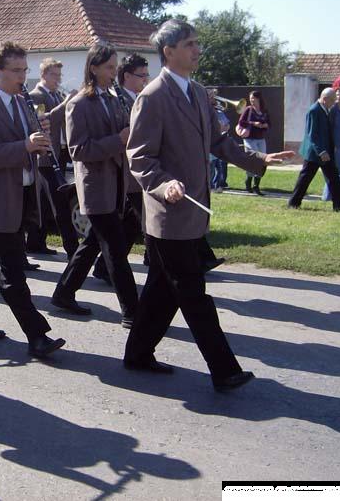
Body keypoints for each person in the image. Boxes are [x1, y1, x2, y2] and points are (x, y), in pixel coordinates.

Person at [124, 19, 294, 391]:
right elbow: (139, 157)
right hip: (169, 213)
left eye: (197, 43)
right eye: (189, 44)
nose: (197, 50)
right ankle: (224, 369)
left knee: (162, 290)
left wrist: (258, 160)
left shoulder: (199, 92)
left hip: (193, 210)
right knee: (192, 292)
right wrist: (163, 184)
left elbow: (219, 142)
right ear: (169, 51)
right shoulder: (152, 97)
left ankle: (136, 354)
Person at [0, 41, 65, 358]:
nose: (22, 76)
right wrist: (25, 145)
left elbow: (32, 148)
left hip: (24, 194)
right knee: (12, 272)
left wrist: (41, 139)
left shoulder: (22, 103)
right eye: (16, 70)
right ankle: (37, 335)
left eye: (25, 70)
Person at [47, 44, 139, 327]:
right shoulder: (78, 104)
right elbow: (78, 150)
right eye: (110, 67)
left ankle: (63, 293)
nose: (114, 73)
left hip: (117, 182)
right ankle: (132, 312)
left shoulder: (113, 99)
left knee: (91, 243)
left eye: (115, 67)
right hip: (95, 186)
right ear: (94, 67)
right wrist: (118, 140)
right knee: (115, 248)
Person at [91, 53, 151, 285]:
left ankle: (102, 268)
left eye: (147, 75)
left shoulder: (138, 98)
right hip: (125, 169)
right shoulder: (117, 98)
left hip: (137, 169)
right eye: (141, 75)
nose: (146, 79)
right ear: (127, 76)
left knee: (129, 223)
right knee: (140, 221)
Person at [26, 57, 80, 258]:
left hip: (60, 153)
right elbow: (43, 120)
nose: (58, 79)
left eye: (59, 75)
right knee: (60, 202)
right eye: (54, 75)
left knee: (43, 202)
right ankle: (73, 249)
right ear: (43, 75)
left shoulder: (57, 95)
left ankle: (35, 241)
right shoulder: (36, 96)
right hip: (45, 157)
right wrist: (65, 104)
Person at [287, 88, 340, 211]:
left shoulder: (325, 109)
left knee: (334, 178)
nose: (334, 103)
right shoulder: (314, 110)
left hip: (326, 152)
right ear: (325, 99)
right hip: (315, 153)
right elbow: (312, 134)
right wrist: (321, 151)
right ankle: (293, 203)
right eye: (332, 100)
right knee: (305, 179)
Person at [237, 91, 270, 195]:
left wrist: (264, 125)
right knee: (253, 159)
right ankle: (248, 181)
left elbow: (269, 123)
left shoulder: (264, 110)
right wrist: (253, 123)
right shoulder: (248, 109)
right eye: (250, 98)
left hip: (261, 139)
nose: (251, 100)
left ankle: (256, 186)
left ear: (258, 99)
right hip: (249, 138)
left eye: (253, 98)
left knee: (262, 161)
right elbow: (241, 122)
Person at [208, 89, 230, 193]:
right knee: (211, 166)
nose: (214, 98)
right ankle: (210, 186)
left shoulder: (219, 111)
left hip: (219, 141)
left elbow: (227, 126)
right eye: (212, 96)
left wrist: (222, 127)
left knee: (220, 166)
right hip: (210, 143)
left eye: (214, 96)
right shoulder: (205, 110)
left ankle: (217, 185)